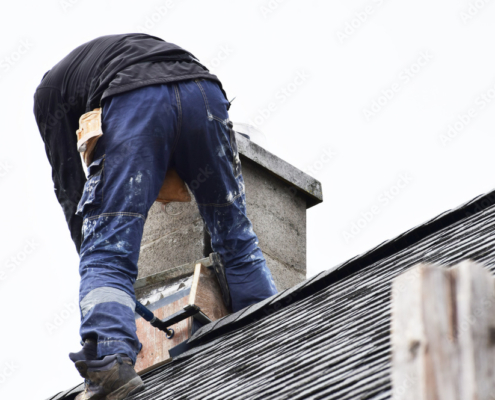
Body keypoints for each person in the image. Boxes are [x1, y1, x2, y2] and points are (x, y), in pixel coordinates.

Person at [33, 33, 278, 399]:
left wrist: (92, 253)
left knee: (108, 253)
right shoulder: (105, 58)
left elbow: (69, 182)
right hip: (204, 92)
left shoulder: (47, 96)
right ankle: (273, 337)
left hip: (136, 98)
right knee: (237, 242)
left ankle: (110, 366)